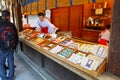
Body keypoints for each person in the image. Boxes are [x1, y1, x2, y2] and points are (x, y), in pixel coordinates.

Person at [0, 10, 18, 80]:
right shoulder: (12, 25)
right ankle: (11, 77)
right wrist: (15, 46)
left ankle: (4, 78)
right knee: (11, 62)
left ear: (2, 16)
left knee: (1, 63)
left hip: (2, 48)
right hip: (11, 47)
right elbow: (16, 36)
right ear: (8, 16)